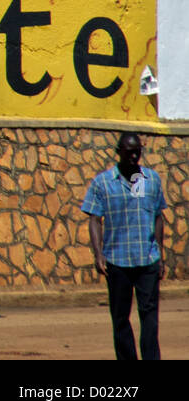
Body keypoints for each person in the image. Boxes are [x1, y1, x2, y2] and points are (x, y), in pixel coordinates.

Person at [82, 132, 167, 360]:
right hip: (117, 261)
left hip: (147, 259)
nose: (133, 156)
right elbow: (94, 219)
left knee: (149, 316)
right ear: (118, 152)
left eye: (137, 151)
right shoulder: (103, 182)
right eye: (129, 151)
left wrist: (160, 253)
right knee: (120, 318)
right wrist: (98, 254)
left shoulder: (152, 180)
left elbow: (158, 216)